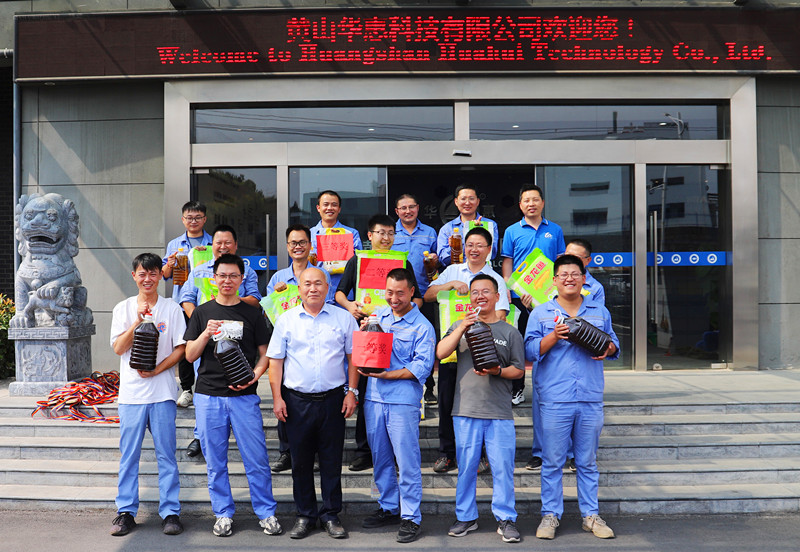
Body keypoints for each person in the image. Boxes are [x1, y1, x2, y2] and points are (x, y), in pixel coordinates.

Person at [183, 254, 280, 538]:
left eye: (233, 276)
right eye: (222, 276)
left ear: (242, 279)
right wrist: (205, 334)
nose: (227, 281)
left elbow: (266, 354)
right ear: (214, 279)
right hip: (209, 396)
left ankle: (266, 512)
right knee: (215, 461)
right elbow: (189, 355)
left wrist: (255, 375)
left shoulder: (253, 313)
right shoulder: (201, 312)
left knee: (256, 458)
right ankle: (223, 513)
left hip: (244, 396)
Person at [524, 254, 619, 541]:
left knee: (587, 461)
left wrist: (609, 349)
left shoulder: (599, 310)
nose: (569, 278)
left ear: (583, 279)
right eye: (563, 274)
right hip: (555, 398)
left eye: (574, 274)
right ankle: (550, 515)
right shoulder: (541, 313)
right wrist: (553, 336)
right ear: (554, 280)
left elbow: (614, 343)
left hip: (590, 396)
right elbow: (529, 351)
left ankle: (591, 515)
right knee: (552, 461)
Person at [267, 267, 359, 540]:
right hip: (297, 402)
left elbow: (354, 357)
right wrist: (277, 398)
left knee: (331, 460)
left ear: (328, 287)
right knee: (300, 463)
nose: (313, 288)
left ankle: (331, 514)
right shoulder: (286, 320)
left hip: (333, 400)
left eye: (318, 283)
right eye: (307, 284)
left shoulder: (344, 319)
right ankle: (305, 515)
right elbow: (275, 362)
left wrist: (352, 391)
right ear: (299, 289)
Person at [436, 274, 524, 544]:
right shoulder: (460, 326)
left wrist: (498, 371)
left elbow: (518, 370)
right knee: (466, 468)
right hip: (465, 410)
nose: (480, 296)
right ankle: (466, 516)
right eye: (475, 292)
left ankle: (506, 518)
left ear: (497, 297)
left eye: (486, 291)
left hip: (499, 412)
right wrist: (462, 327)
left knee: (502, 469)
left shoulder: (510, 332)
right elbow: (441, 353)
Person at [335, 213, 423, 472]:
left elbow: (417, 298)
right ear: (369, 235)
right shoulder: (358, 260)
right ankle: (364, 451)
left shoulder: (401, 262)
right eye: (381, 233)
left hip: (397, 335)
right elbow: (340, 293)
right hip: (368, 333)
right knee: (366, 389)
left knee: (389, 389)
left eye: (390, 233)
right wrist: (350, 306)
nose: (386, 238)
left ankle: (393, 452)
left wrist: (404, 314)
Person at [110, 253, 187, 537]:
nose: (148, 279)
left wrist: (156, 370)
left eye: (153, 273)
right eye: (142, 274)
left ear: (160, 275)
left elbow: (181, 349)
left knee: (166, 455)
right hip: (131, 395)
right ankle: (126, 512)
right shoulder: (123, 308)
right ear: (134, 276)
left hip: (162, 393)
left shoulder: (172, 308)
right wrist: (136, 322)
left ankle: (170, 512)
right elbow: (118, 348)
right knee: (129, 456)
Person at [424, 226, 509, 474]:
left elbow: (501, 315)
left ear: (489, 250)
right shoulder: (453, 270)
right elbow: (428, 295)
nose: (474, 249)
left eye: (480, 245)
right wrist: (450, 284)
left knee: (478, 404)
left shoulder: (495, 279)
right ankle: (447, 454)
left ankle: (480, 455)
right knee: (446, 401)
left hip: (479, 352)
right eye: (470, 245)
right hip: (452, 349)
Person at [359, 268, 435, 544]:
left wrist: (388, 375)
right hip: (374, 398)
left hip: (402, 400)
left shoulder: (423, 326)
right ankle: (389, 506)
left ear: (412, 292)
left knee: (407, 459)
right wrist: (364, 333)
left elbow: (421, 367)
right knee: (380, 457)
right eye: (389, 292)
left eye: (400, 293)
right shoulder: (378, 316)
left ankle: (411, 516)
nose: (393, 298)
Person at [179, 224, 262, 458]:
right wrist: (201, 320)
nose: (223, 246)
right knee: (206, 382)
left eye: (228, 242)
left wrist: (229, 305)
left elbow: (255, 298)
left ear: (235, 246)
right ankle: (200, 435)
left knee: (237, 373)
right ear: (211, 245)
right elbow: (187, 299)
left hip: (236, 334)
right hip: (207, 334)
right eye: (219, 242)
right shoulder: (198, 270)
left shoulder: (246, 270)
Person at [501, 184, 565, 472]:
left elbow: (560, 262)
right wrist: (510, 288)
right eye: (526, 200)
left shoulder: (555, 230)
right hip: (521, 297)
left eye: (535, 199)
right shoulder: (512, 231)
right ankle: (518, 387)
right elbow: (508, 262)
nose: (531, 204)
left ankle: (546, 384)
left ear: (542, 203)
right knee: (521, 344)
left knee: (549, 345)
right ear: (520, 204)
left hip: (549, 300)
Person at [266, 224, 334, 474]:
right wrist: (276, 297)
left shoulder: (321, 274)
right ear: (287, 247)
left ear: (310, 245)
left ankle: (313, 453)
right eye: (293, 243)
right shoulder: (278, 278)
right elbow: (269, 312)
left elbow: (328, 305)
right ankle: (287, 452)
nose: (298, 247)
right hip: (289, 345)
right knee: (286, 399)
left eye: (302, 242)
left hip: (317, 342)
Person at [162, 201, 212, 409]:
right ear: (183, 220)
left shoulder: (213, 243)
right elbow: (164, 275)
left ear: (204, 219)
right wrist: (169, 264)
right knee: (184, 345)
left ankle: (205, 386)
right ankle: (187, 389)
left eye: (198, 217)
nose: (193, 221)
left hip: (207, 301)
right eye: (189, 218)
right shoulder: (175, 244)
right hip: (182, 303)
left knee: (208, 344)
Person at [392, 193, 439, 405]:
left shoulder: (429, 232)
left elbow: (438, 265)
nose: (408, 211)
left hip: (424, 295)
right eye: (403, 208)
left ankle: (429, 387)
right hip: (397, 298)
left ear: (418, 208)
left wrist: (435, 261)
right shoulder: (391, 233)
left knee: (425, 341)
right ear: (397, 211)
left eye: (411, 207)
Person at [310, 189, 363, 293]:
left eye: (334, 205)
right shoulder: (309, 235)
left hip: (345, 292)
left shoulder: (351, 234)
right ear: (318, 208)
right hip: (316, 292)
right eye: (326, 204)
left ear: (339, 209)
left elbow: (358, 264)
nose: (330, 208)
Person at [436, 184, 500, 267]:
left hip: (481, 272)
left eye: (471, 199)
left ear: (478, 201)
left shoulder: (489, 225)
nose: (467, 203)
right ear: (456, 201)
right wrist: (453, 248)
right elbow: (443, 260)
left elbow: (492, 253)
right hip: (456, 273)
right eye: (463, 199)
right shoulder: (447, 228)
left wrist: (477, 232)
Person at [565, 238, 605, 306]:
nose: (570, 260)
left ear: (588, 260)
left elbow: (598, 312)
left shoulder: (596, 288)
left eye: (576, 258)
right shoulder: (552, 279)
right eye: (567, 256)